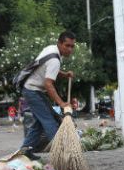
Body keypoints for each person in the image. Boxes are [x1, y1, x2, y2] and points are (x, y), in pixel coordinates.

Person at [19, 31, 79, 160]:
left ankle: (24, 152)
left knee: (39, 124)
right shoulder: (55, 60)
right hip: (32, 90)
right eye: (67, 45)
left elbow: (47, 70)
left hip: (31, 89)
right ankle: (62, 156)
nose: (70, 49)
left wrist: (64, 74)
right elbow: (48, 84)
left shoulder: (52, 49)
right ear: (59, 43)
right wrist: (62, 103)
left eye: (72, 46)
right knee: (50, 121)